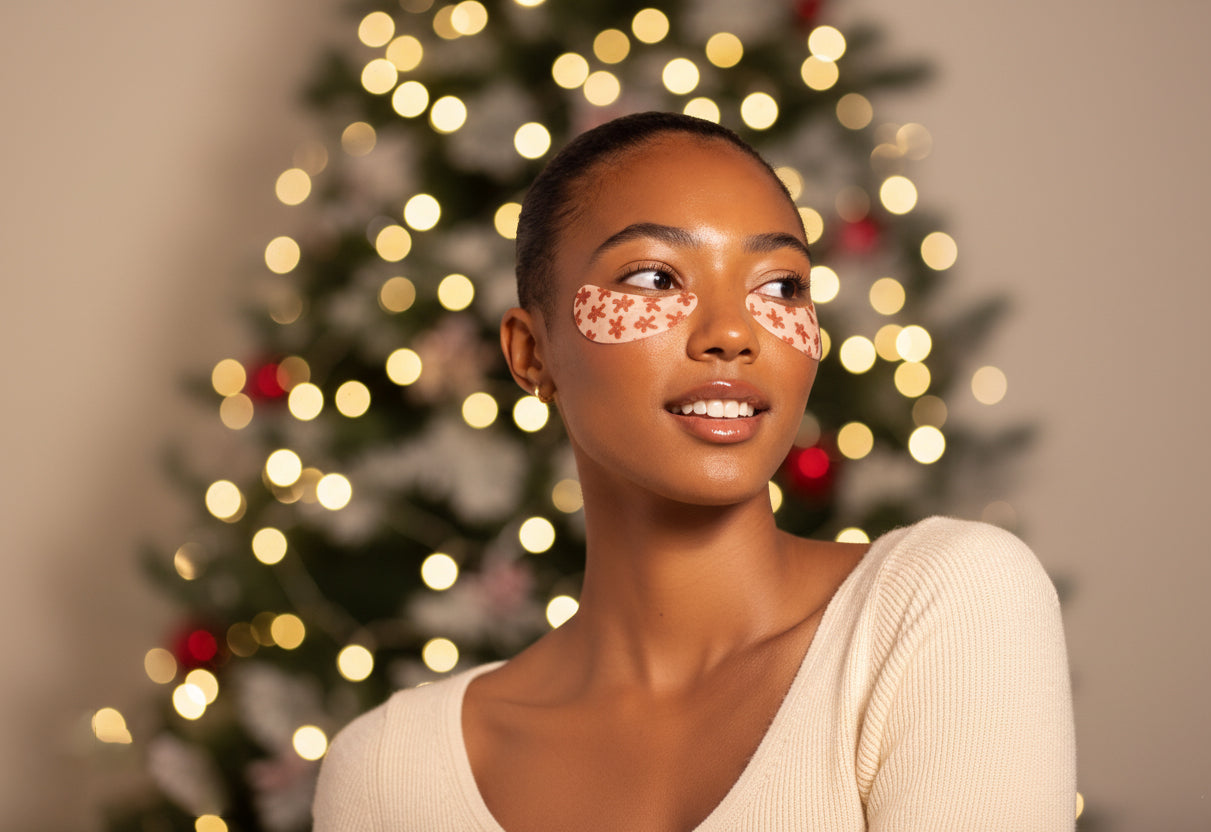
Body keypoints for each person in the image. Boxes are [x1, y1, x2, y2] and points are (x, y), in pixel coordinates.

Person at [312, 111, 1076, 831]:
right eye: (654, 280)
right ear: (530, 353)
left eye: (780, 286)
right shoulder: (388, 773)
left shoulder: (942, 608)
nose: (732, 333)